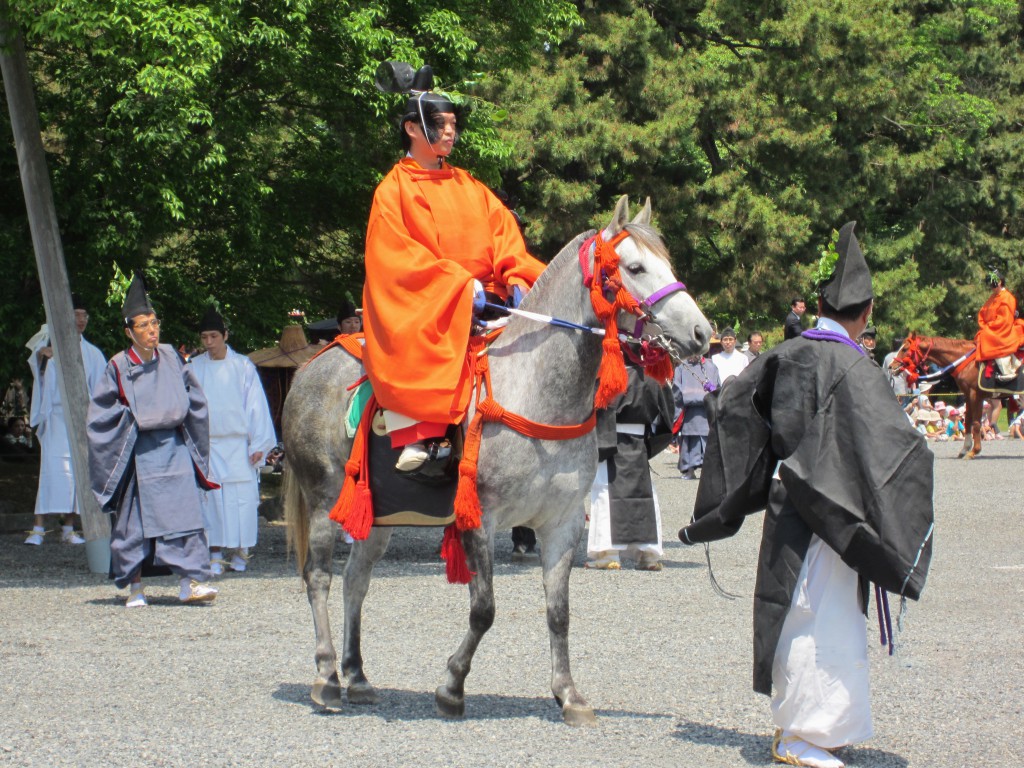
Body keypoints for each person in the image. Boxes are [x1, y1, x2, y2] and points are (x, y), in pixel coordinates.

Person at [679, 222, 934, 768]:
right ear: (866, 313)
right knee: (822, 617)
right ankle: (801, 737)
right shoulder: (855, 366)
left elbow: (731, 407)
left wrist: (732, 498)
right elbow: (897, 448)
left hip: (789, 505)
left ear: (818, 303)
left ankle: (805, 729)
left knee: (801, 612)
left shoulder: (786, 352)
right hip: (836, 513)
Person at [361, 65, 545, 473]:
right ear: (412, 128)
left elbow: (505, 237)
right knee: (424, 344)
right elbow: (396, 258)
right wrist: (460, 286)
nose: (449, 133)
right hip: (431, 302)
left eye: (452, 125)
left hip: (488, 300)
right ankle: (420, 433)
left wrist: (516, 277)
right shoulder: (392, 190)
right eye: (440, 125)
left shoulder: (471, 185)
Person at [87, 274, 219, 607]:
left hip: (174, 449)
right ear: (129, 331)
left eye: (155, 323)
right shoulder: (117, 366)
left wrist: (184, 422)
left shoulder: (173, 357)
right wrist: (132, 420)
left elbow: (196, 401)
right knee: (133, 524)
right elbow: (102, 412)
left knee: (186, 517)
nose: (151, 330)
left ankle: (190, 583)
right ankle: (136, 587)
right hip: (136, 451)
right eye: (143, 325)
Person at [190, 307, 276, 576]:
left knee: (242, 500)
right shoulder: (194, 367)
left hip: (238, 444)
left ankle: (241, 552)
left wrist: (258, 445)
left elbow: (256, 407)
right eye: (204, 337)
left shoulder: (242, 366)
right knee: (211, 499)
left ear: (225, 335)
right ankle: (214, 553)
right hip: (209, 444)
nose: (209, 342)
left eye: (214, 336)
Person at [24, 294, 106, 546]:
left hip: (82, 419)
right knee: (50, 469)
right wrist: (42, 355)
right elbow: (35, 366)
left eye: (84, 315)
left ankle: (69, 528)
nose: (80, 320)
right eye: (76, 314)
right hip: (57, 416)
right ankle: (38, 527)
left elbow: (102, 389)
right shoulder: (51, 344)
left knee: (77, 472)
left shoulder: (92, 353)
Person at [586, 362, 674, 571]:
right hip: (638, 442)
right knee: (644, 495)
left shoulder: (607, 375)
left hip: (610, 438)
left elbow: (594, 410)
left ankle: (607, 553)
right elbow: (667, 417)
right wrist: (651, 446)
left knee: (605, 493)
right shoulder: (652, 378)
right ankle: (649, 554)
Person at [672, 354, 720, 480]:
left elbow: (718, 388)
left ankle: (707, 470)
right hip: (690, 411)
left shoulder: (711, 367)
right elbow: (677, 393)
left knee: (706, 438)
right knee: (690, 439)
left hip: (707, 410)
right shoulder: (682, 367)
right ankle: (689, 469)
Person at [975, 269, 1024, 381]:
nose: (991, 287)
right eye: (990, 285)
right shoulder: (993, 297)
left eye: (993, 284)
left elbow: (1004, 319)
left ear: (1000, 282)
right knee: (982, 335)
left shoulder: (1007, 297)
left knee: (987, 336)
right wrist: (984, 325)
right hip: (991, 326)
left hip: (1002, 328)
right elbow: (983, 312)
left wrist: (989, 326)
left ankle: (1007, 371)